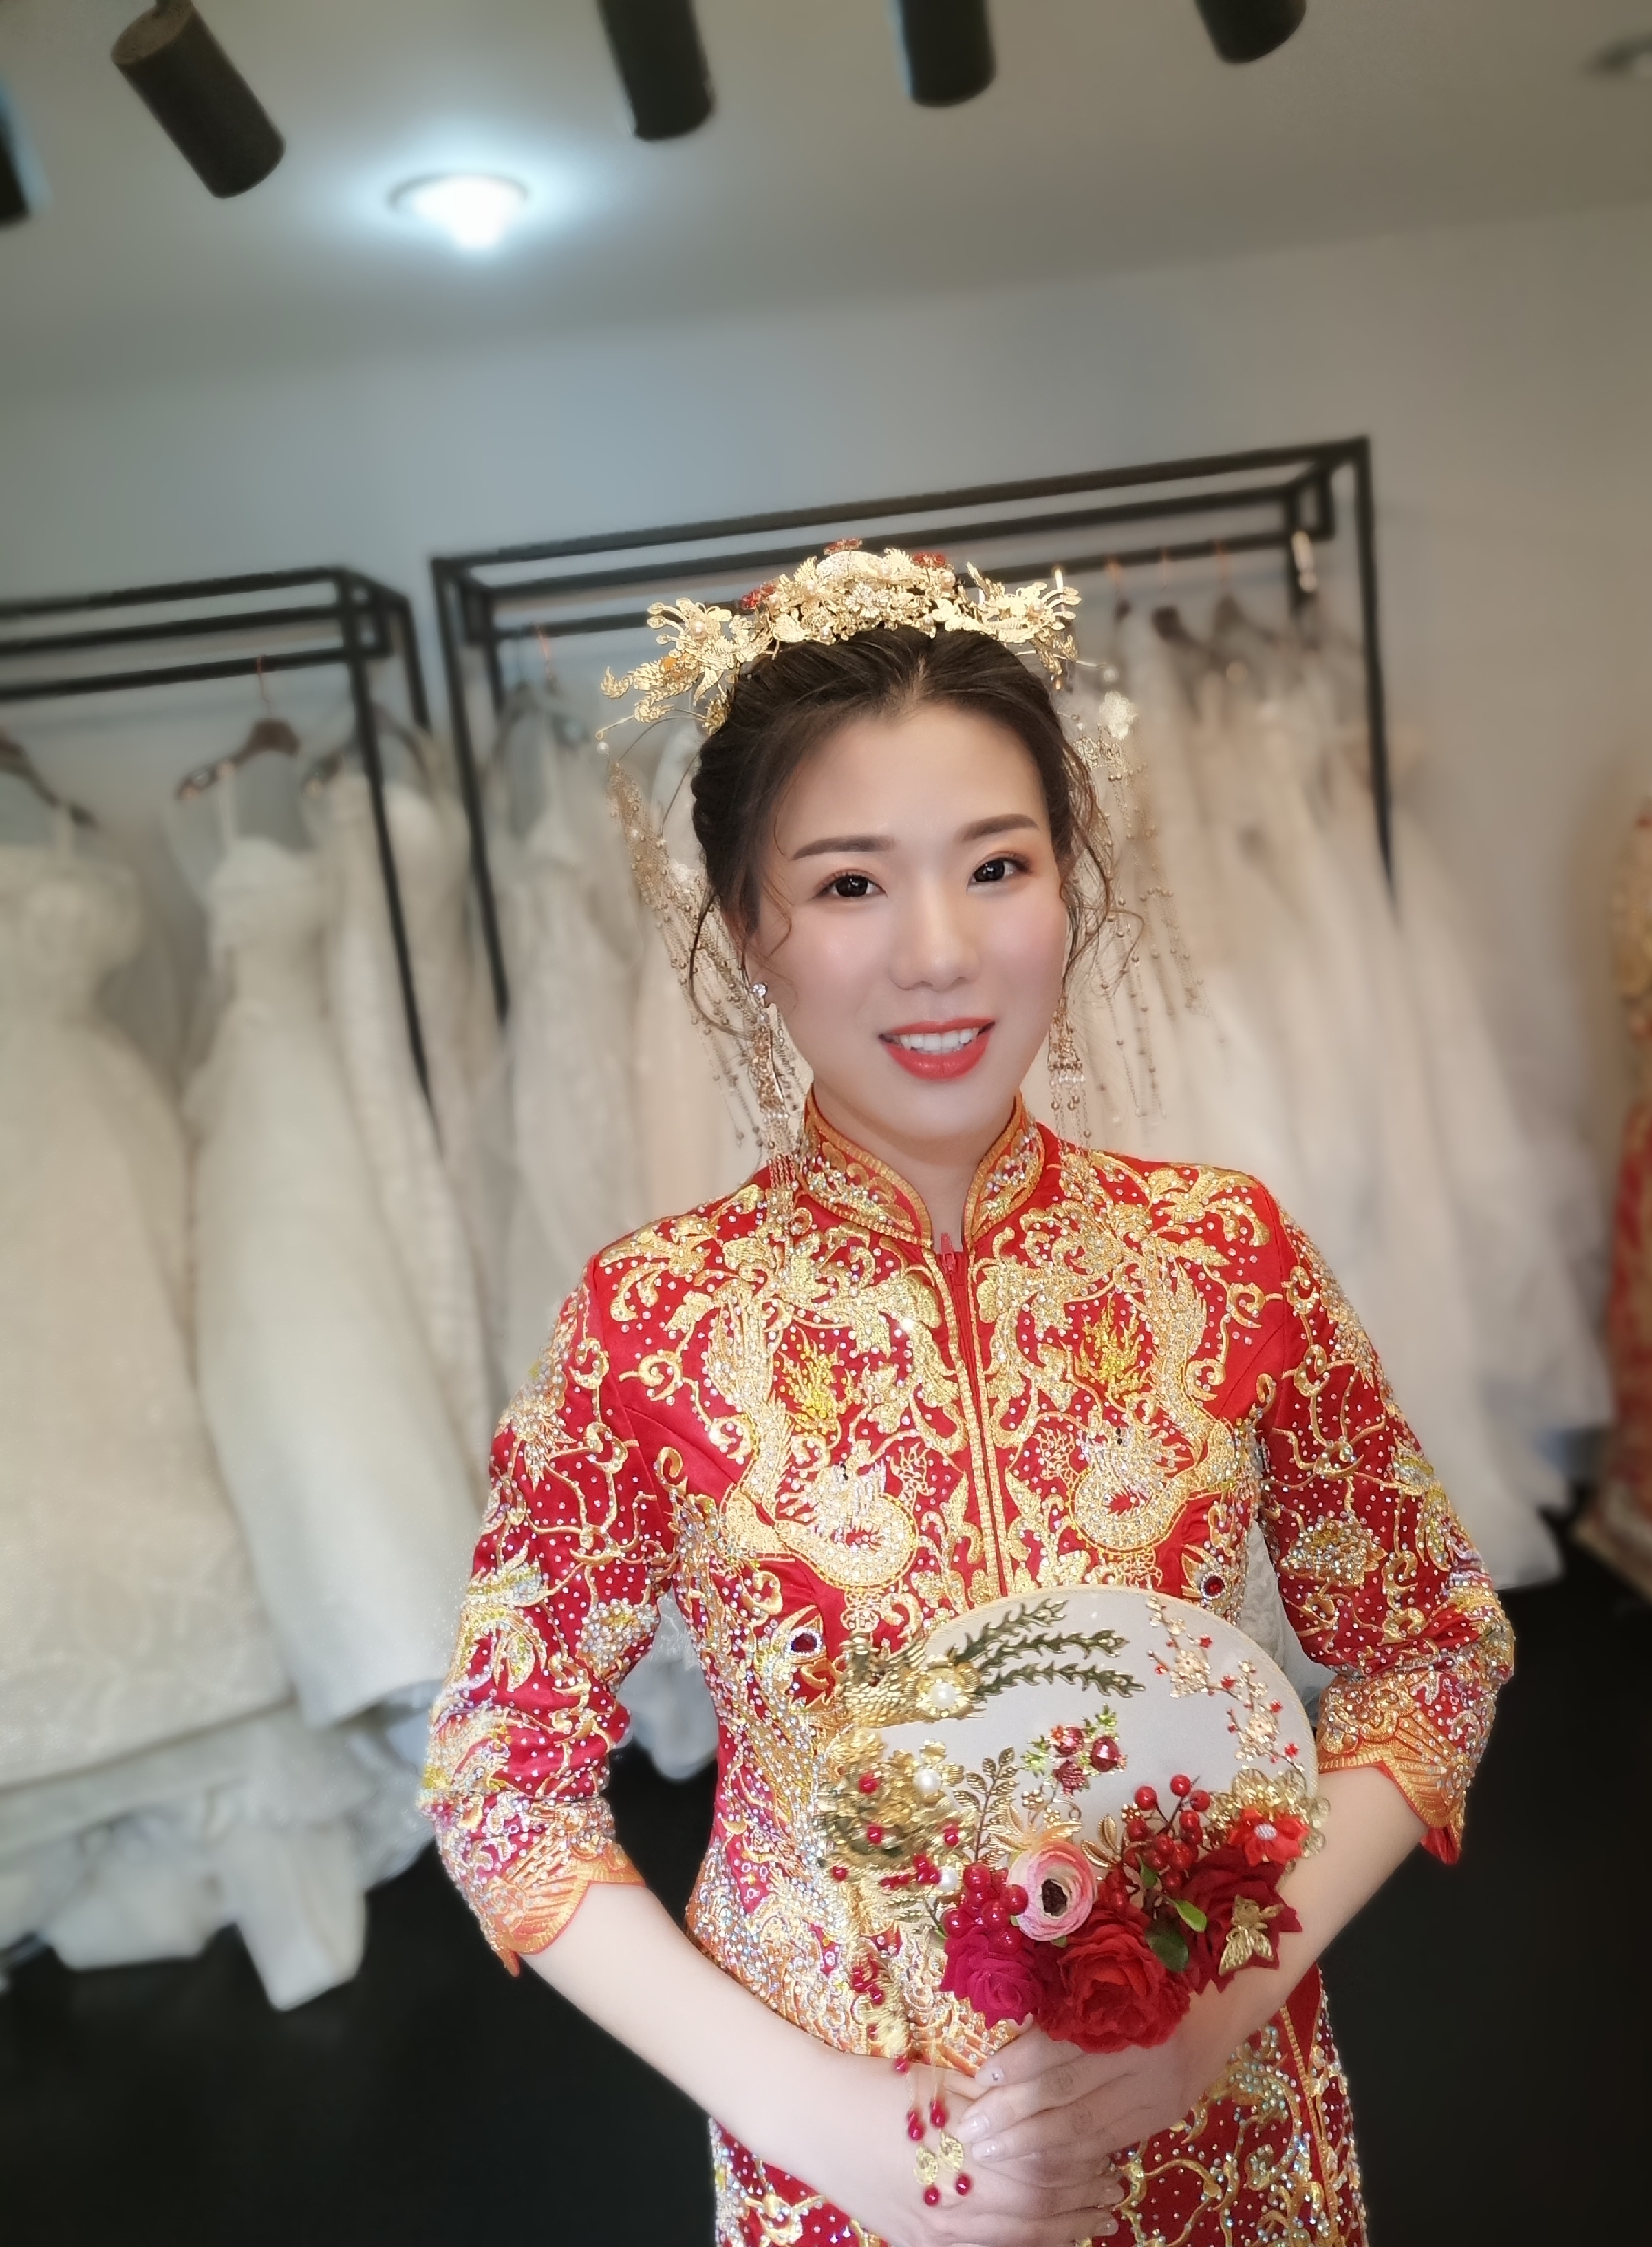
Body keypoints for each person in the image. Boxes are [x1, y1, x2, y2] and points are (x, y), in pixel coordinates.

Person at [423, 549, 1513, 2247]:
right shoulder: (651, 1323)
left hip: (1215, 2125)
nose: (938, 953)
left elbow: (1432, 1647)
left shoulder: (1223, 1257)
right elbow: (500, 1775)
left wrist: (1218, 2013)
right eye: (850, 884)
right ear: (748, 926)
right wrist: (834, 2127)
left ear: (1068, 884)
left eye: (996, 865)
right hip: (851, 2163)